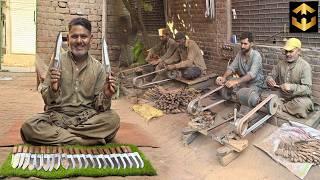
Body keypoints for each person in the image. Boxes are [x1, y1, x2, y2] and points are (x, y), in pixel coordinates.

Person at [20, 17, 120, 145]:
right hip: (57, 117)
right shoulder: (57, 62)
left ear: (91, 39)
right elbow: (47, 100)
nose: (79, 41)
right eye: (74, 37)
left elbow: (99, 107)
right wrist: (54, 89)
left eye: (83, 36)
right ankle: (83, 140)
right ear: (68, 38)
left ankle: (63, 137)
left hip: (87, 119)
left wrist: (106, 94)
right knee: (29, 126)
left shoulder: (98, 68)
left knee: (113, 119)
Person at [266, 38, 314, 118]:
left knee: (302, 105)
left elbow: (307, 89)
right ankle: (283, 107)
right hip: (282, 95)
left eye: (291, 51)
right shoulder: (280, 64)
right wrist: (269, 80)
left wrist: (291, 87)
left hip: (298, 98)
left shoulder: (305, 66)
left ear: (299, 51)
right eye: (286, 51)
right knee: (266, 97)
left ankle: (279, 107)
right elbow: (270, 76)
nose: (288, 54)